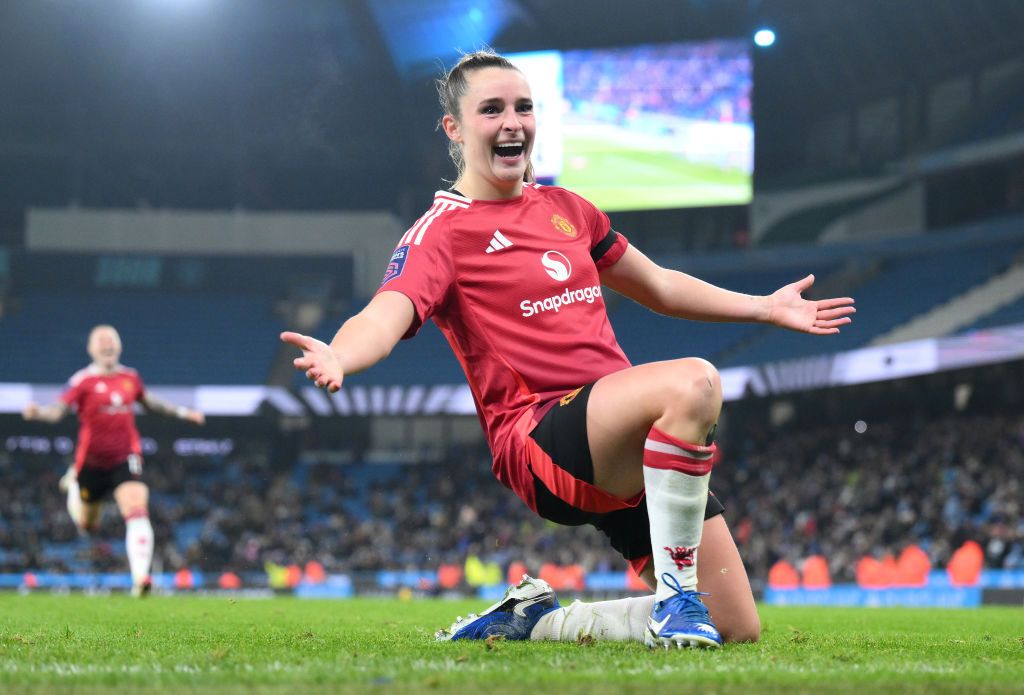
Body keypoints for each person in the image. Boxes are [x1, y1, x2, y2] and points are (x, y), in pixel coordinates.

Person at [282, 50, 854, 648]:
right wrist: (342, 354)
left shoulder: (568, 210)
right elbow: (386, 311)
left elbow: (658, 286)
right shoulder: (441, 231)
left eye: (524, 108)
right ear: (453, 128)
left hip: (618, 440)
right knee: (695, 382)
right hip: (539, 438)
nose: (512, 122)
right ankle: (678, 598)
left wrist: (765, 305)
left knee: (736, 626)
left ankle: (539, 622)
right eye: (492, 110)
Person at [22, 324, 205, 597]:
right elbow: (58, 411)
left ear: (119, 346)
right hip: (92, 464)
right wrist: (39, 414)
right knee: (88, 525)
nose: (107, 343)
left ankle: (141, 578)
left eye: (111, 340)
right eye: (101, 340)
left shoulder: (130, 377)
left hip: (126, 457)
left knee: (136, 508)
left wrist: (182, 412)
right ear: (90, 349)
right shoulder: (81, 381)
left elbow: (150, 402)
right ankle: (74, 485)